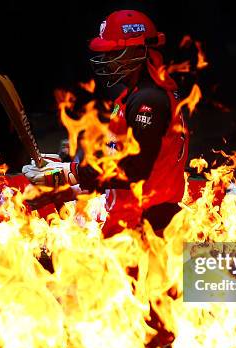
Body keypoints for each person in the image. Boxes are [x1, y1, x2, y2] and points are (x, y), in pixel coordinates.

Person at [22, 10, 188, 236]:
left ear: (141, 51)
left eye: (116, 52)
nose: (108, 60)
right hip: (130, 223)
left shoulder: (149, 100)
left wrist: (67, 172)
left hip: (148, 230)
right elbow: (115, 169)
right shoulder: (132, 97)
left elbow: (133, 171)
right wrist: (68, 191)